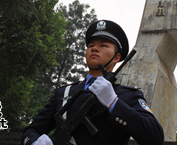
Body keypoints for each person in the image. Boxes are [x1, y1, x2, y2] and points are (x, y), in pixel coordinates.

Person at [20, 20, 164, 145]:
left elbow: (155, 137)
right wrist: (33, 142)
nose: (94, 48)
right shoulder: (64, 93)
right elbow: (32, 130)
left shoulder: (127, 96)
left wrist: (114, 103)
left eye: (103, 45)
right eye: (91, 45)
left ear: (116, 57)